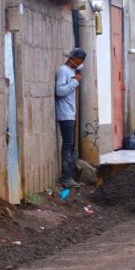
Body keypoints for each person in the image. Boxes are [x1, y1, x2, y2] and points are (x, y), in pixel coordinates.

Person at [55, 48, 86, 188]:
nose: (82, 64)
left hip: (70, 113)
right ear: (75, 59)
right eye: (81, 61)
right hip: (65, 113)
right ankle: (66, 177)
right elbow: (60, 91)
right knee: (68, 144)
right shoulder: (63, 70)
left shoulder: (72, 72)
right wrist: (75, 82)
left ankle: (70, 176)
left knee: (70, 144)